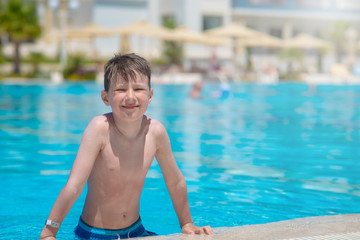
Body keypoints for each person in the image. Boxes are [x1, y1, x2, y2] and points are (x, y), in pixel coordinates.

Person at [39, 53, 214, 240]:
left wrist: (186, 223)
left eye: (138, 88)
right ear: (105, 97)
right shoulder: (100, 129)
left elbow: (175, 181)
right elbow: (74, 185)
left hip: (136, 231)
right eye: (121, 89)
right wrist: (50, 231)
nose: (130, 97)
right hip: (93, 234)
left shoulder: (155, 132)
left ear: (150, 95)